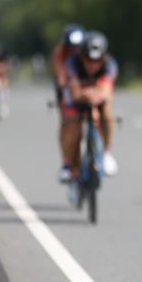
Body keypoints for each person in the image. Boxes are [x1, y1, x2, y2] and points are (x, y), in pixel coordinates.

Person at [61, 31, 119, 204]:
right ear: (81, 55)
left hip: (98, 95)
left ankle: (107, 152)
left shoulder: (110, 65)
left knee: (107, 113)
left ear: (103, 58)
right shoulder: (72, 63)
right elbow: (74, 90)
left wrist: (97, 95)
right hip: (77, 97)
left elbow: (107, 90)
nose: (92, 65)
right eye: (88, 59)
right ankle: (71, 169)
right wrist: (84, 94)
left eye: (97, 61)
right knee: (71, 126)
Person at [53, 25, 86, 182]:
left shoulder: (87, 52)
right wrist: (64, 81)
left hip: (84, 84)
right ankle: (66, 162)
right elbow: (60, 74)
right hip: (66, 86)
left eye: (77, 47)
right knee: (68, 123)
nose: (75, 50)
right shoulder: (59, 53)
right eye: (71, 47)